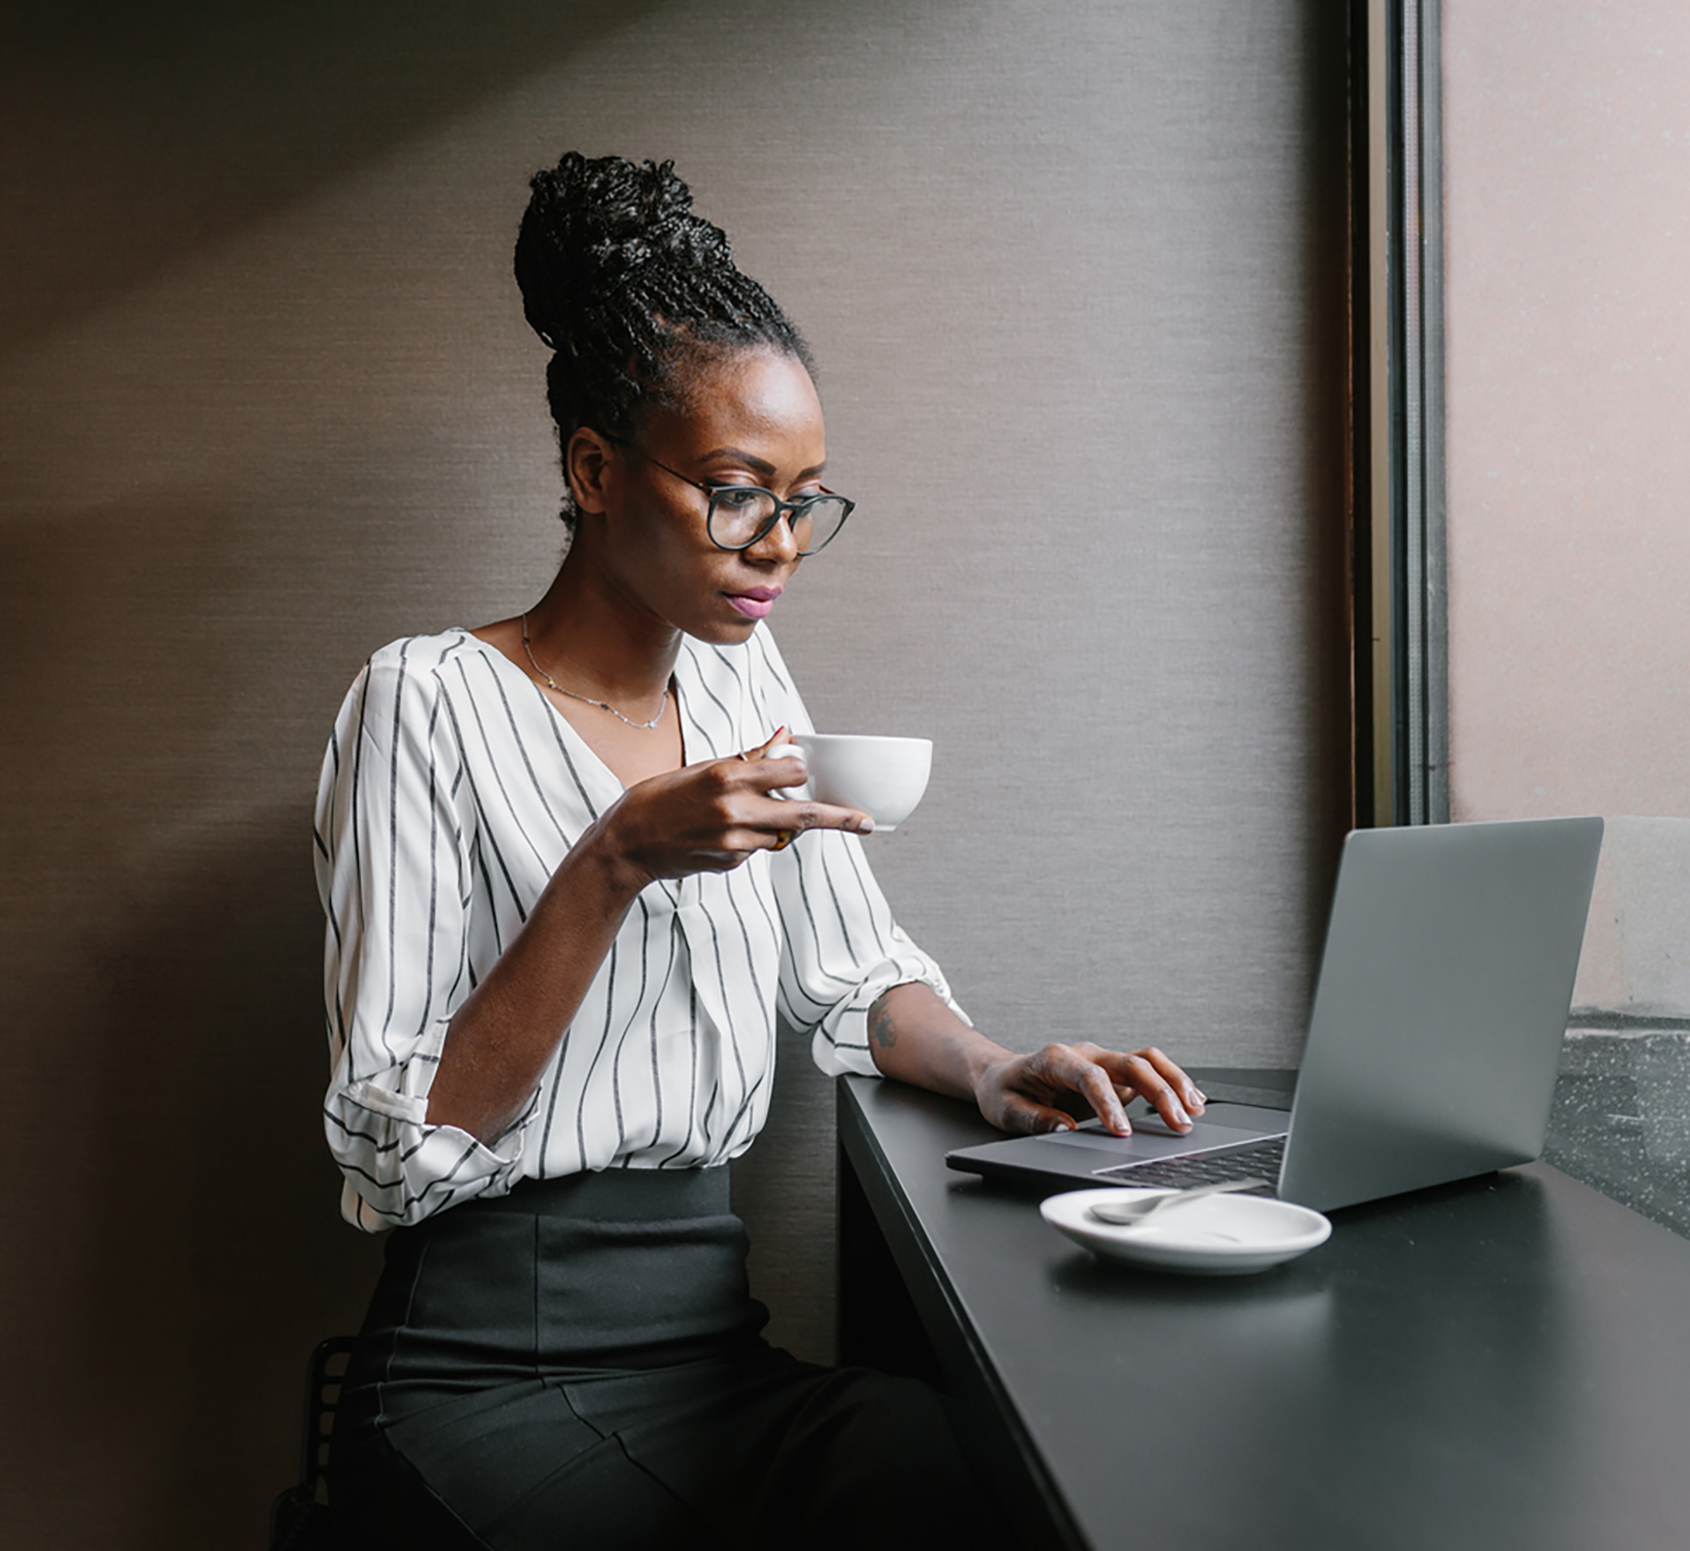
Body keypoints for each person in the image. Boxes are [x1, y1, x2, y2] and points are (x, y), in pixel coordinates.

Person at [313, 154, 1207, 1549]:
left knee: (995, 1480)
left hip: (714, 1356)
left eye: (805, 499)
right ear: (594, 468)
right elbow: (395, 1146)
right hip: (484, 1376)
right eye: (739, 492)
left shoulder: (743, 687)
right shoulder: (423, 700)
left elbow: (853, 972)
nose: (778, 545)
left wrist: (990, 1064)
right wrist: (612, 863)